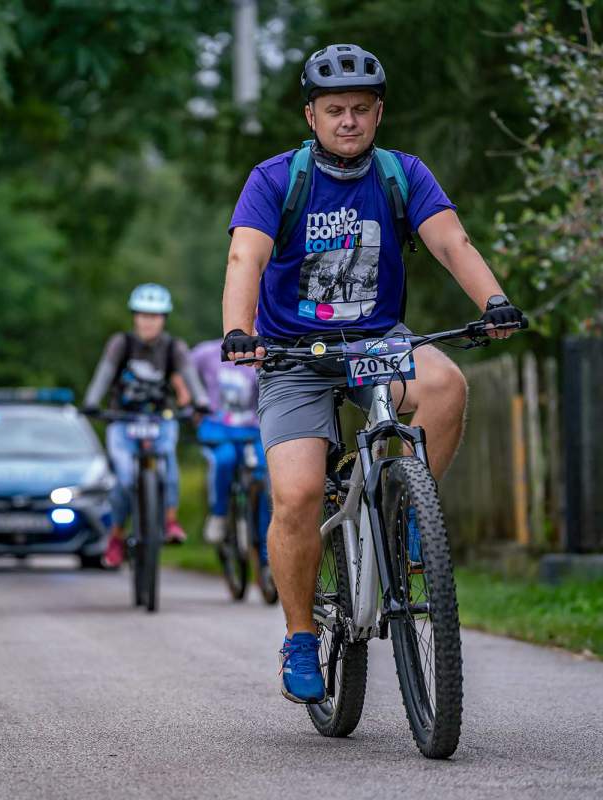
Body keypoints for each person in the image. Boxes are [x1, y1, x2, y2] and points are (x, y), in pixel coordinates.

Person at [221, 44, 524, 704]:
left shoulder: (402, 174)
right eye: (335, 110)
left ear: (379, 112)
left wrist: (493, 301)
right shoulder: (277, 179)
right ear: (311, 115)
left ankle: (406, 512)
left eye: (361, 109)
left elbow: (452, 240)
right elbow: (246, 254)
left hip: (378, 343)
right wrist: (238, 331)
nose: (349, 121)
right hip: (294, 355)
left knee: (445, 384)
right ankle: (301, 636)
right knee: (298, 495)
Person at [83, 284, 210, 569]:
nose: (148, 321)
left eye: (154, 316)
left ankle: (170, 520)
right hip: (123, 420)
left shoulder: (173, 347)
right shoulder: (121, 344)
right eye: (142, 315)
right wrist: (92, 401)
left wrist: (200, 401)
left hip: (159, 419)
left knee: (167, 467)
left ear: (164, 319)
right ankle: (116, 536)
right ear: (134, 317)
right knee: (125, 480)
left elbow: (189, 375)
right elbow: (104, 374)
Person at [190, 338, 272, 587]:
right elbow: (183, 371)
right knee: (224, 460)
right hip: (217, 428)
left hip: (251, 430)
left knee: (265, 478)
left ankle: (267, 557)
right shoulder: (206, 352)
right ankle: (219, 515)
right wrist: (192, 402)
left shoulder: (265, 351)